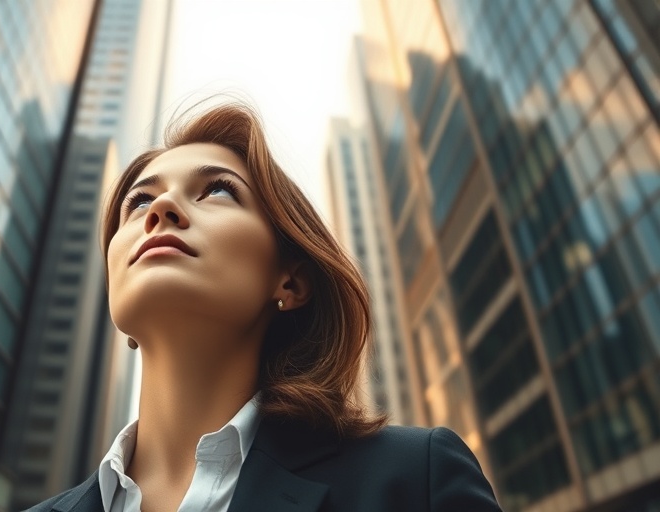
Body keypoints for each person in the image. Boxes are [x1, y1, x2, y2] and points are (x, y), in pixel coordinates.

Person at [25, 103, 502, 511]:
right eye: (139, 200)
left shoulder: (415, 480)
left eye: (217, 190)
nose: (161, 208)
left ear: (290, 281)